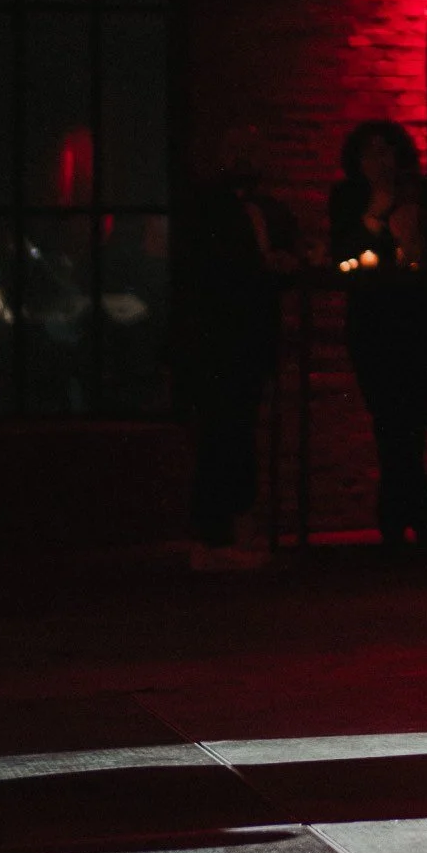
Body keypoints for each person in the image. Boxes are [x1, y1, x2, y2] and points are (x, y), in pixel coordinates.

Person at [176, 124, 299, 570]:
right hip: (217, 335)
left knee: (236, 429)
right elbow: (209, 269)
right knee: (221, 432)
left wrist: (286, 264)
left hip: (249, 333)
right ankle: (215, 534)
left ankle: (225, 532)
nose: (246, 159)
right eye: (237, 151)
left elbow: (282, 258)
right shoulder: (208, 207)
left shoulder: (265, 209)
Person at [329, 121, 427, 553]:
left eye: (387, 150)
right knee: (389, 420)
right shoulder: (347, 198)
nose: (381, 160)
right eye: (371, 152)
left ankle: (399, 519)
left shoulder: (423, 194)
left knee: (411, 421)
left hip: (415, 320)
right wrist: (375, 214)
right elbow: (343, 254)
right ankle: (414, 518)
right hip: (372, 322)